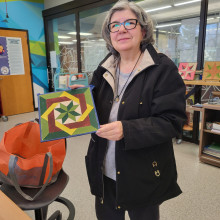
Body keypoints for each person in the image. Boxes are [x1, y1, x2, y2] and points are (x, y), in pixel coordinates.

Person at [70, 0, 186, 219]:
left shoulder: (162, 69)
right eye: (114, 25)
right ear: (109, 34)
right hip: (103, 169)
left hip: (142, 174)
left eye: (129, 23)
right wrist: (82, 97)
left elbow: (173, 121)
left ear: (143, 30)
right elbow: (94, 107)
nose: (121, 29)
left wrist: (128, 129)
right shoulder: (106, 65)